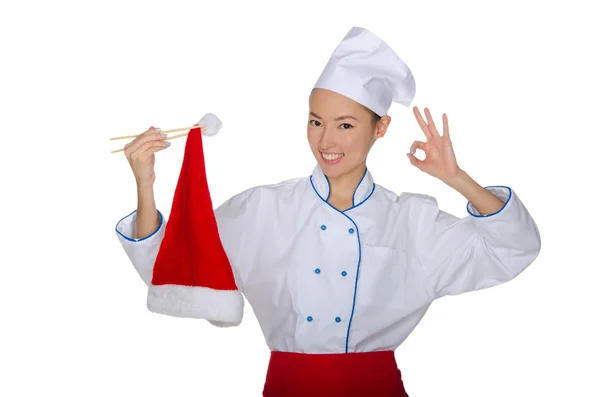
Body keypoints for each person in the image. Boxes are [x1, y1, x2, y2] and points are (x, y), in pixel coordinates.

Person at [115, 27, 541, 396]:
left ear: (381, 128)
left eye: (346, 124)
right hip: (285, 389)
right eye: (316, 121)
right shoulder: (261, 210)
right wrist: (145, 183)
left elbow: (514, 248)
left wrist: (457, 178)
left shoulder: (412, 220)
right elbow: (172, 267)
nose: (326, 141)